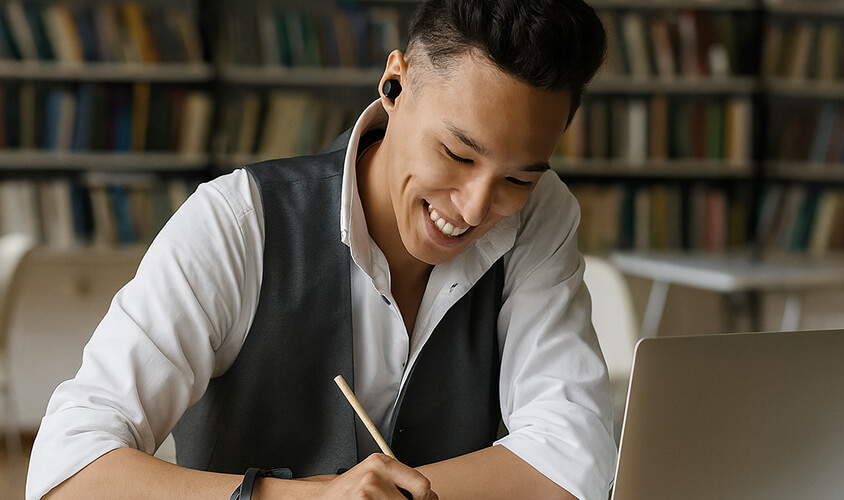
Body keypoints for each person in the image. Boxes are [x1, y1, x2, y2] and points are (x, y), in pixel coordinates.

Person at [27, 0, 614, 498]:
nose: (474, 206)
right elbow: (68, 467)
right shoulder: (237, 222)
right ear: (396, 85)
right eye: (458, 155)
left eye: (517, 178)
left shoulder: (541, 213)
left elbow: (574, 455)